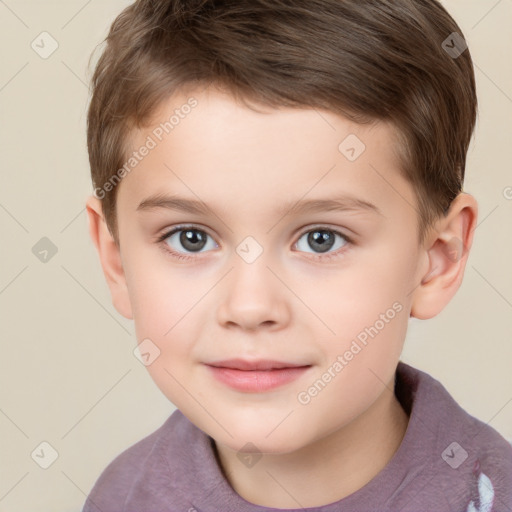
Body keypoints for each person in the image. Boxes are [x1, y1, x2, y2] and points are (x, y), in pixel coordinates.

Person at [82, 0, 512, 510]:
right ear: (116, 260)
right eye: (190, 238)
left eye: (321, 239)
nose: (249, 307)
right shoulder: (121, 497)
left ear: (437, 259)